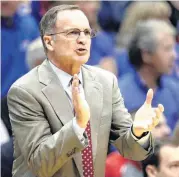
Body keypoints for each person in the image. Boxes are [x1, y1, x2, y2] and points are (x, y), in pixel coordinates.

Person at [8, 5, 164, 177]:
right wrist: (78, 125)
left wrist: (138, 131)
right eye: (73, 33)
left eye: (87, 32)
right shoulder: (25, 91)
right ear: (49, 42)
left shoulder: (106, 81)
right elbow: (39, 163)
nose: (83, 39)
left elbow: (132, 151)